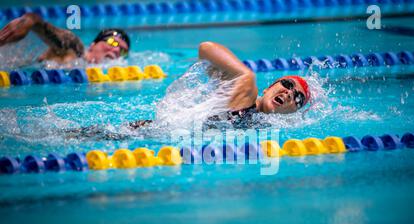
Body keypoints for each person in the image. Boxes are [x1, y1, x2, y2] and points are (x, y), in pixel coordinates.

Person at [65, 41, 311, 140]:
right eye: (287, 85)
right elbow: (206, 47)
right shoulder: (247, 88)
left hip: (154, 137)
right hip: (140, 133)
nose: (290, 93)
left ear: (293, 112)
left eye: (298, 98)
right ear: (271, 86)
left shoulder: (264, 127)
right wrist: (241, 74)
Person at [0, 13, 130, 64]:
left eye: (123, 51)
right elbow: (39, 23)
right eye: (113, 42)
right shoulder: (76, 50)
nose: (117, 50)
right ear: (93, 44)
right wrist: (29, 21)